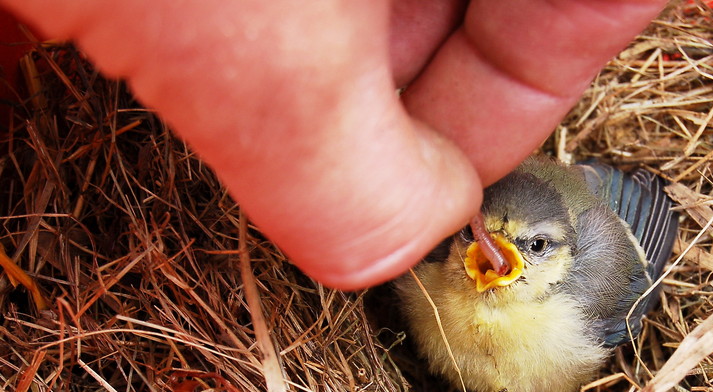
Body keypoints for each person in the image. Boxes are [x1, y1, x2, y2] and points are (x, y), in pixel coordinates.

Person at [0, 0, 666, 289]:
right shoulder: (445, 275)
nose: (491, 249)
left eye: (536, 247)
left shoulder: (585, 298)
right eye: (486, 236)